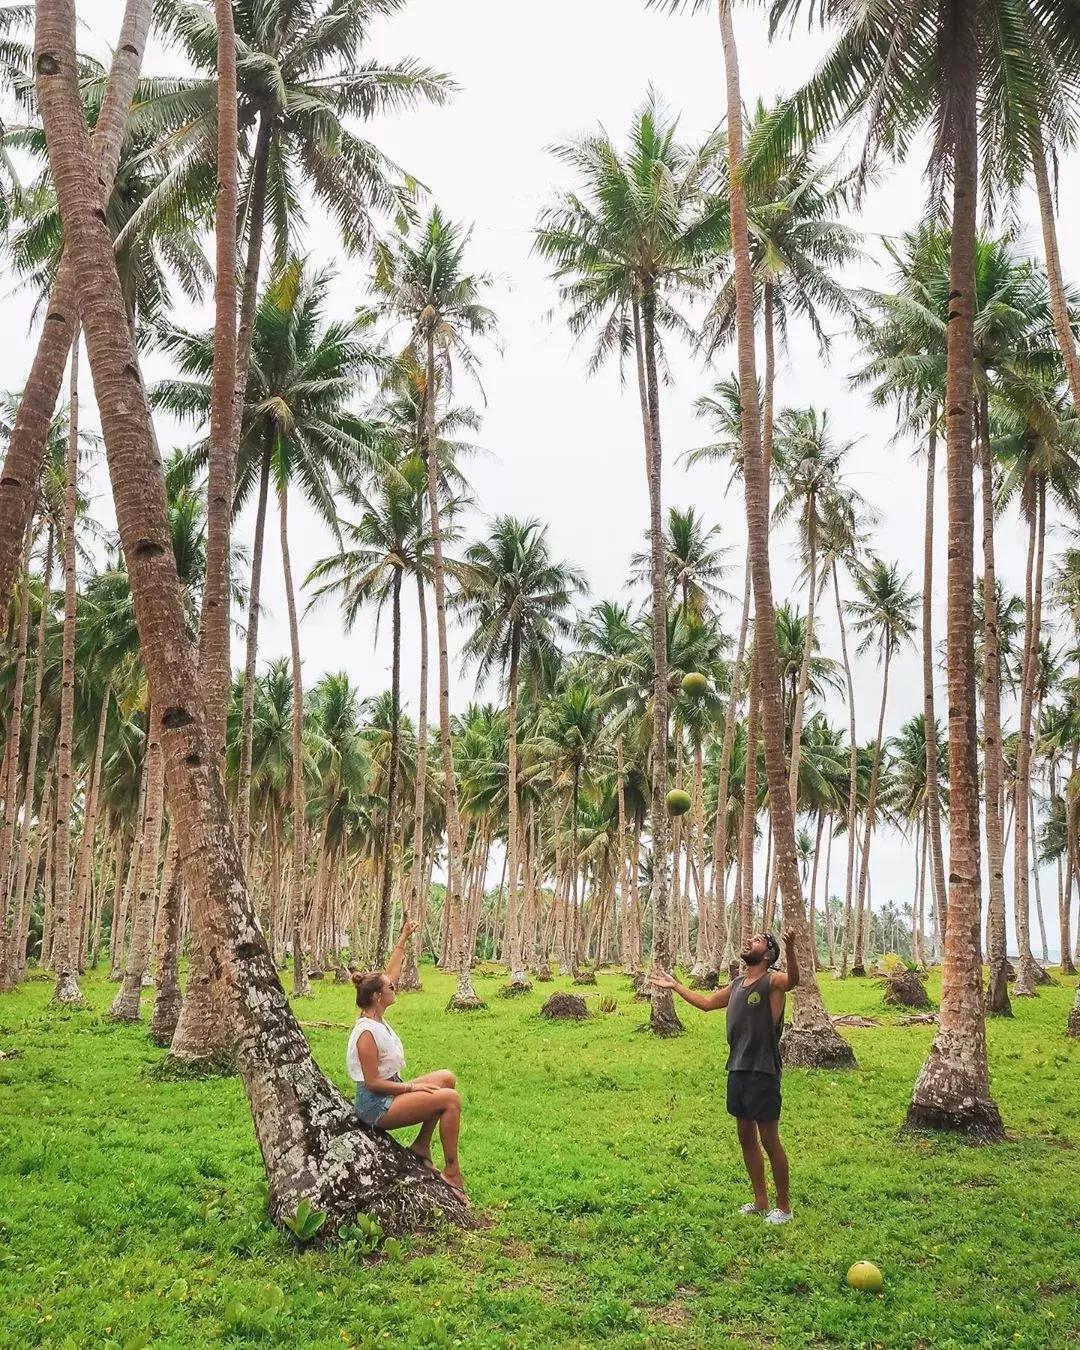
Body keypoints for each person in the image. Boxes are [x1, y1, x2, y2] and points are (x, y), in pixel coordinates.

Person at [651, 929, 799, 1225]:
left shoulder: (773, 982)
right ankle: (760, 1201)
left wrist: (791, 948)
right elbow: (706, 1004)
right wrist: (676, 986)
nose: (749, 941)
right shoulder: (737, 985)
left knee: (770, 1140)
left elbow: (793, 981)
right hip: (738, 1069)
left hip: (763, 1071)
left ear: (768, 954)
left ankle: (783, 1207)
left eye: (757, 940)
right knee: (745, 1137)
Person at [346, 919, 466, 1197]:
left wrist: (402, 939)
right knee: (450, 1099)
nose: (395, 988)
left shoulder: (375, 1016)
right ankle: (452, 1172)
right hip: (376, 1106)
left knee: (446, 1078)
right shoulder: (366, 1032)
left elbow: (390, 973)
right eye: (390, 988)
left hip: (391, 1090)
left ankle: (421, 1146)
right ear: (378, 997)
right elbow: (373, 1083)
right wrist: (412, 1087)